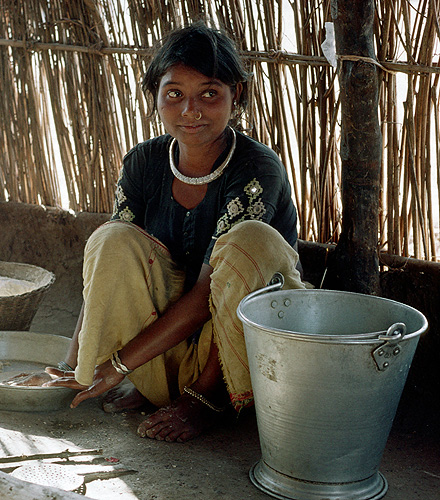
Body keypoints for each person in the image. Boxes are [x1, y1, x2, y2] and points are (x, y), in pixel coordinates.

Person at [43, 23, 307, 443]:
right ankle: (157, 387)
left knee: (250, 240)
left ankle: (206, 398)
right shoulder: (143, 164)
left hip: (241, 359)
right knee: (112, 238)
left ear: (235, 94)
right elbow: (107, 271)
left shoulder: (256, 169)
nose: (190, 111)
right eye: (174, 94)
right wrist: (76, 363)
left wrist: (116, 368)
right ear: (155, 96)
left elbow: (209, 294)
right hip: (162, 352)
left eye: (208, 93)